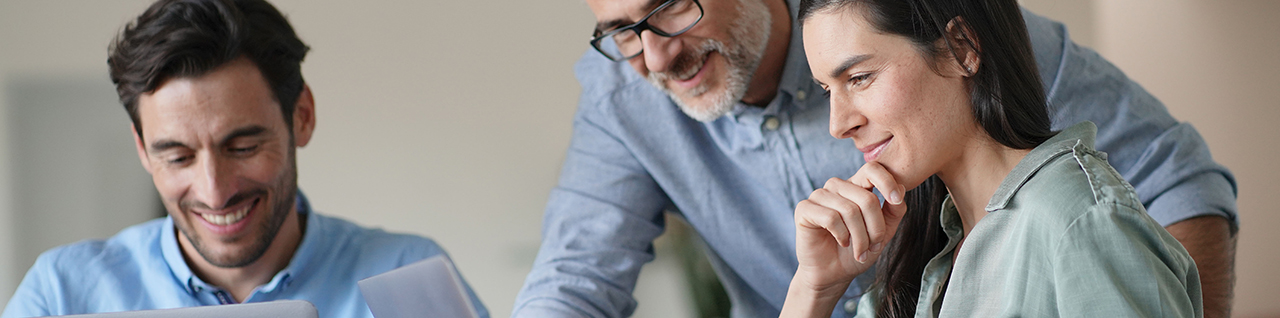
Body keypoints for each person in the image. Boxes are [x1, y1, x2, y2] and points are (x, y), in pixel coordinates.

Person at [514, 0, 1237, 317]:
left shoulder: (1073, 225)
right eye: (622, 33)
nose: (654, 54)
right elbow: (573, 280)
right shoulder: (933, 252)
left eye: (672, 5)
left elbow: (1175, 181)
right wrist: (815, 287)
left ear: (961, 49)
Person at [0, 0, 488, 317]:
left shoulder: (408, 274)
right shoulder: (63, 294)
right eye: (178, 156)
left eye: (243, 147)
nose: (214, 190)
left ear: (302, 116)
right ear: (142, 151)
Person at [780, 0, 1200, 316]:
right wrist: (815, 288)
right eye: (826, 90)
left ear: (961, 48)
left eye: (859, 77)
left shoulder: (1082, 225)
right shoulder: (923, 251)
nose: (838, 124)